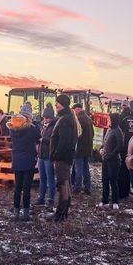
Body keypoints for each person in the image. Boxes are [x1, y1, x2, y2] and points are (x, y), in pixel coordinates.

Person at [49, 94, 78, 222]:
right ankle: (63, 211)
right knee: (65, 185)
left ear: (63, 104)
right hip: (64, 157)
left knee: (63, 185)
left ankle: (61, 213)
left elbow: (64, 141)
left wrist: (56, 155)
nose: (56, 105)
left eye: (58, 103)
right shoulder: (66, 118)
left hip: (62, 158)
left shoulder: (65, 119)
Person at [9, 106, 41, 221]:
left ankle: (16, 212)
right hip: (28, 160)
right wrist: (35, 123)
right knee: (26, 188)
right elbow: (39, 136)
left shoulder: (13, 129)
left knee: (18, 187)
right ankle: (26, 213)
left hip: (17, 160)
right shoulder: (31, 129)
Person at [99, 113, 124, 210]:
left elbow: (120, 145)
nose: (108, 120)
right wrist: (101, 149)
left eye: (110, 119)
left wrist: (111, 154)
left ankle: (115, 201)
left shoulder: (118, 131)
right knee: (104, 180)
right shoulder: (109, 129)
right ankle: (104, 200)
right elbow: (105, 142)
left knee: (113, 181)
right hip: (105, 159)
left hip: (113, 160)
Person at [35, 105, 56, 208]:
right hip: (41, 156)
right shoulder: (43, 127)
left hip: (48, 157)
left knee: (50, 179)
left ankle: (51, 199)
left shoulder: (53, 127)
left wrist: (44, 140)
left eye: (47, 117)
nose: (45, 119)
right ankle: (41, 198)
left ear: (51, 118)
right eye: (44, 117)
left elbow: (54, 141)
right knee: (42, 179)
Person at [72, 106, 94, 195]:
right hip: (87, 148)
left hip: (80, 149)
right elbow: (92, 133)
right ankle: (88, 187)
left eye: (74, 110)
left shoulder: (79, 119)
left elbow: (77, 134)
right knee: (86, 169)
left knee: (79, 169)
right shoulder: (88, 119)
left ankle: (77, 188)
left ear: (78, 109)